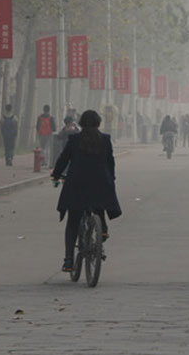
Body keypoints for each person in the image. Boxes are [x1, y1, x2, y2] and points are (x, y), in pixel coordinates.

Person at [51, 110, 122, 272]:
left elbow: (63, 159)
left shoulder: (75, 140)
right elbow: (110, 162)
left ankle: (69, 260)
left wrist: (56, 175)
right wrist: (111, 179)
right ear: (98, 123)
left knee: (73, 221)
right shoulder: (105, 139)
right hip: (100, 184)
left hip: (76, 185)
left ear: (81, 123)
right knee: (99, 205)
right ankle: (102, 231)